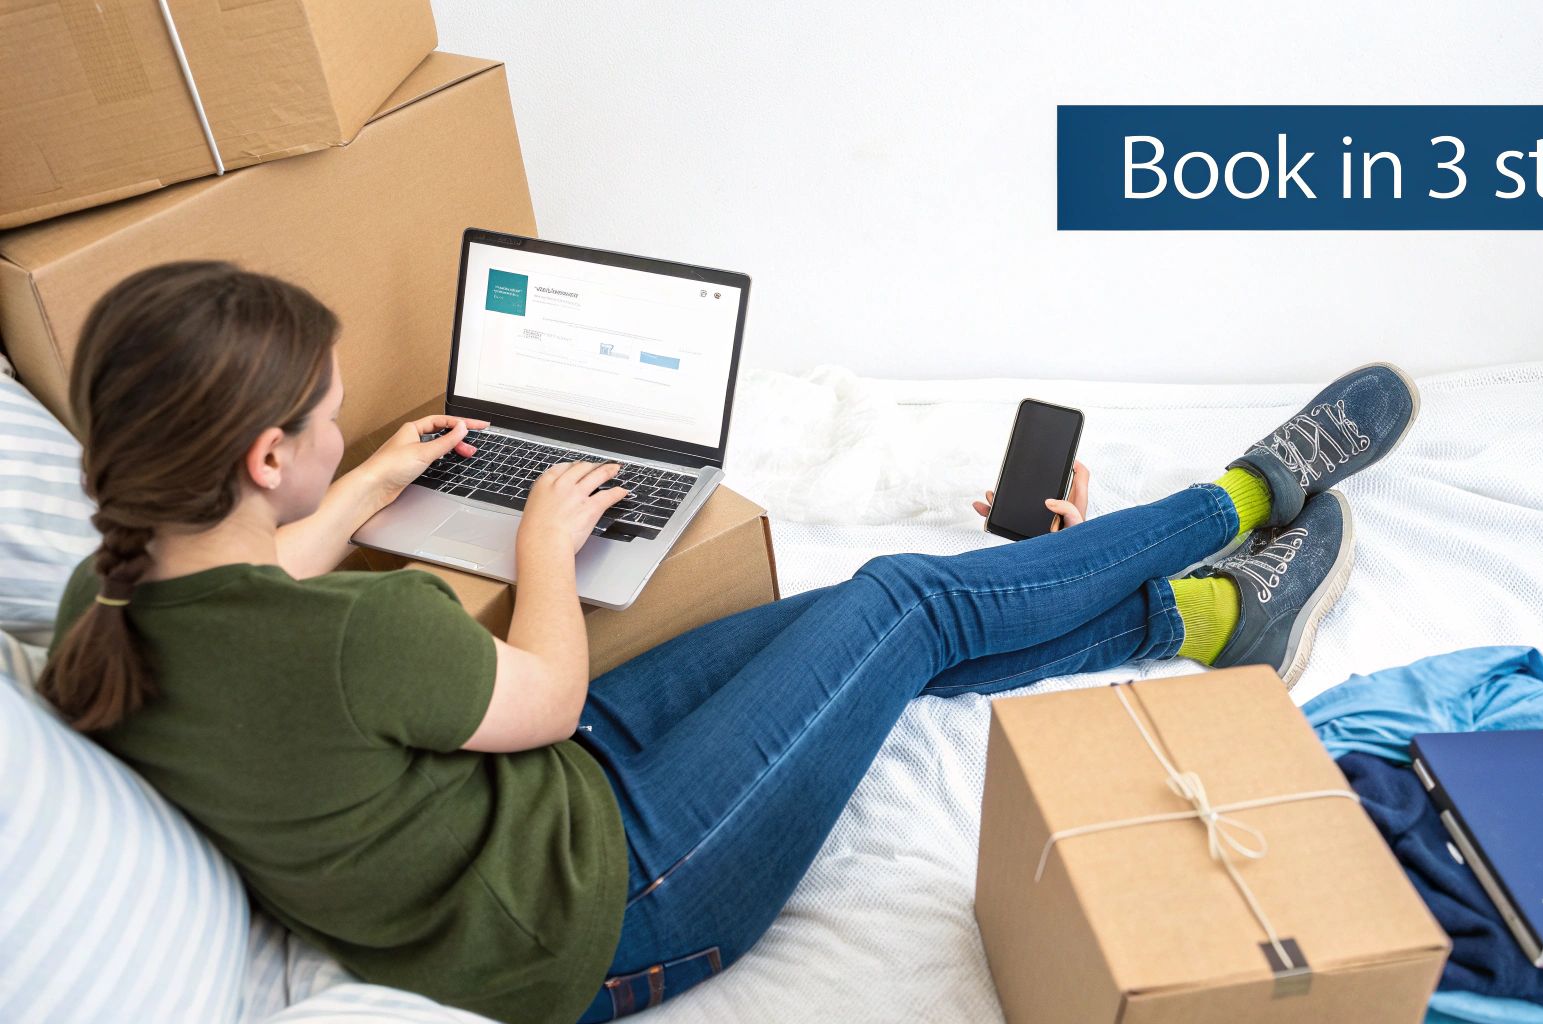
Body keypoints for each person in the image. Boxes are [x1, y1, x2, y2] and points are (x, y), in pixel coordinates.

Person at [40, 262, 1418, 1023]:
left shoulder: (99, 615)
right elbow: (542, 691)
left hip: (537, 824)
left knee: (860, 637)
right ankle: (1240, 500)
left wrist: (357, 488)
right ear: (263, 452)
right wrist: (544, 549)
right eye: (331, 421)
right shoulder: (357, 638)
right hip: (615, 913)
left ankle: (1216, 618)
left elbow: (261, 571)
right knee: (906, 602)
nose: (349, 431)